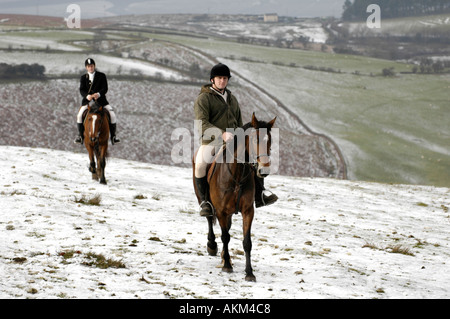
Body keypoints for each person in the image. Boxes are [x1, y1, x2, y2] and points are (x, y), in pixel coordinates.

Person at [193, 63, 278, 217]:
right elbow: (202, 124)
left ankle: (260, 195)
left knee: (255, 159)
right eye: (219, 78)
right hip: (211, 140)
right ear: (212, 80)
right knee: (200, 164)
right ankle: (205, 202)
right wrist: (222, 134)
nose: (222, 81)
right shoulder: (203, 98)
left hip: (233, 139)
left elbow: (238, 123)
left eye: (225, 78)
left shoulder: (232, 98)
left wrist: (243, 136)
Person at [74, 58, 120, 145]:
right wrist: (88, 96)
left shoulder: (102, 76)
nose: (90, 68)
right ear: (86, 68)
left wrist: (98, 94)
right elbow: (82, 90)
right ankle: (80, 136)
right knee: (79, 116)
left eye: (91, 66)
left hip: (101, 101)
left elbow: (105, 88)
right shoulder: (83, 77)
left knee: (113, 115)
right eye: (88, 66)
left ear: (94, 66)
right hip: (87, 102)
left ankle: (113, 137)